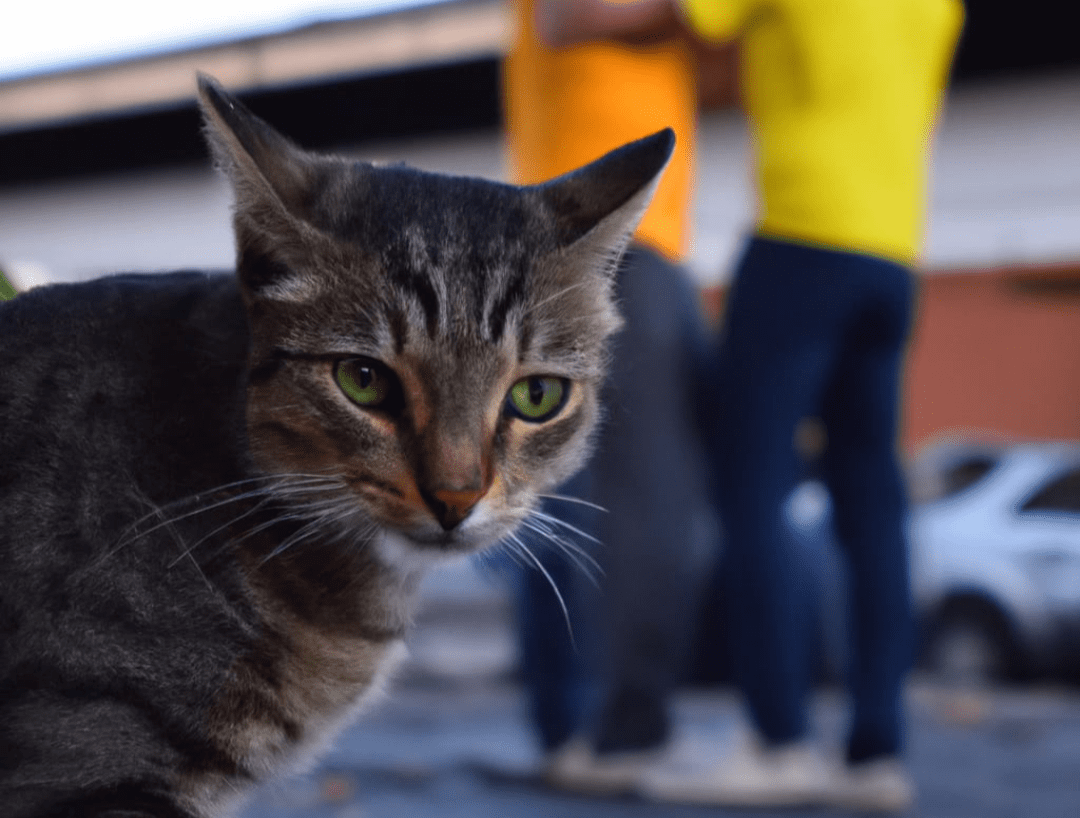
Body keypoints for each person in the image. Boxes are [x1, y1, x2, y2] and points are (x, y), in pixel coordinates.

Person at [537, 0, 965, 810]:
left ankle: (779, 743)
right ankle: (876, 756)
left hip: (801, 241)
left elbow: (600, 20)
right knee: (872, 505)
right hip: (895, 259)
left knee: (750, 488)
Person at [503, 0, 717, 795]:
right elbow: (569, 16)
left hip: (591, 233)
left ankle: (571, 731)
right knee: (646, 497)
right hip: (613, 231)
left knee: (560, 488)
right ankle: (627, 737)